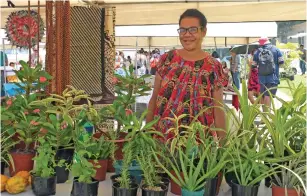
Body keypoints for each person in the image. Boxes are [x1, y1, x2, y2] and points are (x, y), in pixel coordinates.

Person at [146, 9, 228, 141]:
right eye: (182, 30)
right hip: (162, 139)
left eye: (193, 29)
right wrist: (147, 132)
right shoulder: (167, 59)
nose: (187, 34)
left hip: (198, 143)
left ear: (204, 31)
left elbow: (218, 108)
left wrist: (224, 146)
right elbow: (154, 98)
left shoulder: (213, 66)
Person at [253, 37, 284, 112]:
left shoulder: (257, 52)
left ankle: (264, 116)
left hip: (262, 78)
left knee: (263, 96)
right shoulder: (276, 49)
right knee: (268, 96)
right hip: (273, 77)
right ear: (268, 41)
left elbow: (254, 65)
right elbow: (282, 62)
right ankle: (267, 116)